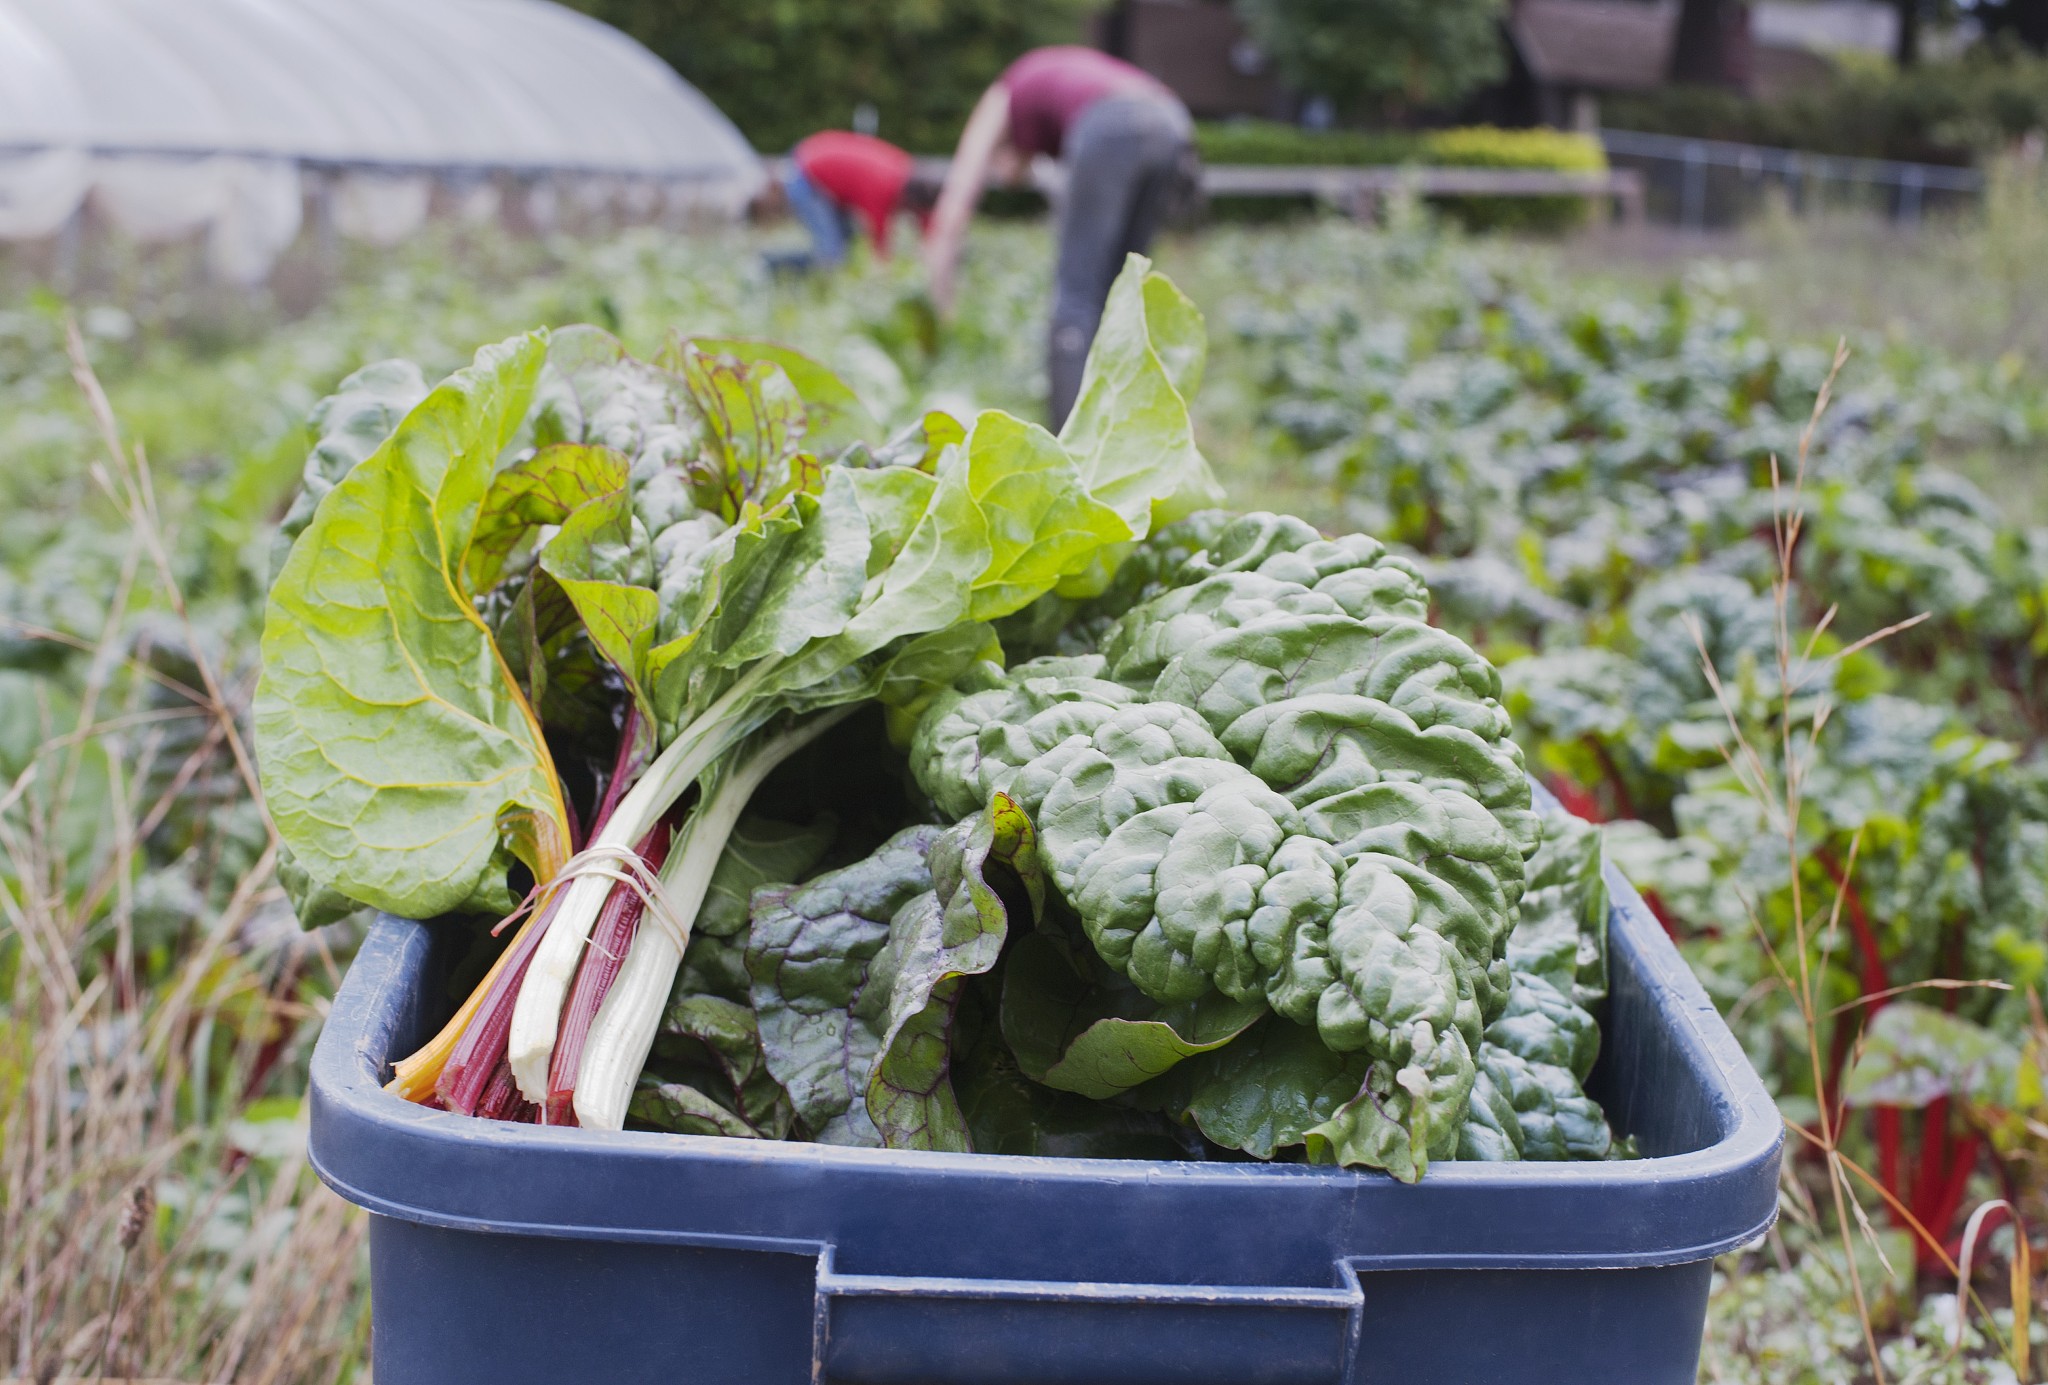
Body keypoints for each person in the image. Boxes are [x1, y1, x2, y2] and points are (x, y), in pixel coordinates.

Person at [925, 46, 1199, 427]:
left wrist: (941, 305)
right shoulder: (1057, 94)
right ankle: (1120, 429)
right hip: (1171, 123)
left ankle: (1068, 441)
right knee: (1123, 295)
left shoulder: (1002, 95)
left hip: (1115, 123)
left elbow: (955, 203)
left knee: (1075, 298)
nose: (1002, 177)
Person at [777, 130, 937, 271]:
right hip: (805, 173)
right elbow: (880, 245)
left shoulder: (909, 176)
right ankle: (771, 265)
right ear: (907, 200)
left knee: (846, 242)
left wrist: (931, 249)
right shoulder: (884, 188)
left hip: (817, 157)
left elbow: (925, 217)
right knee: (832, 255)